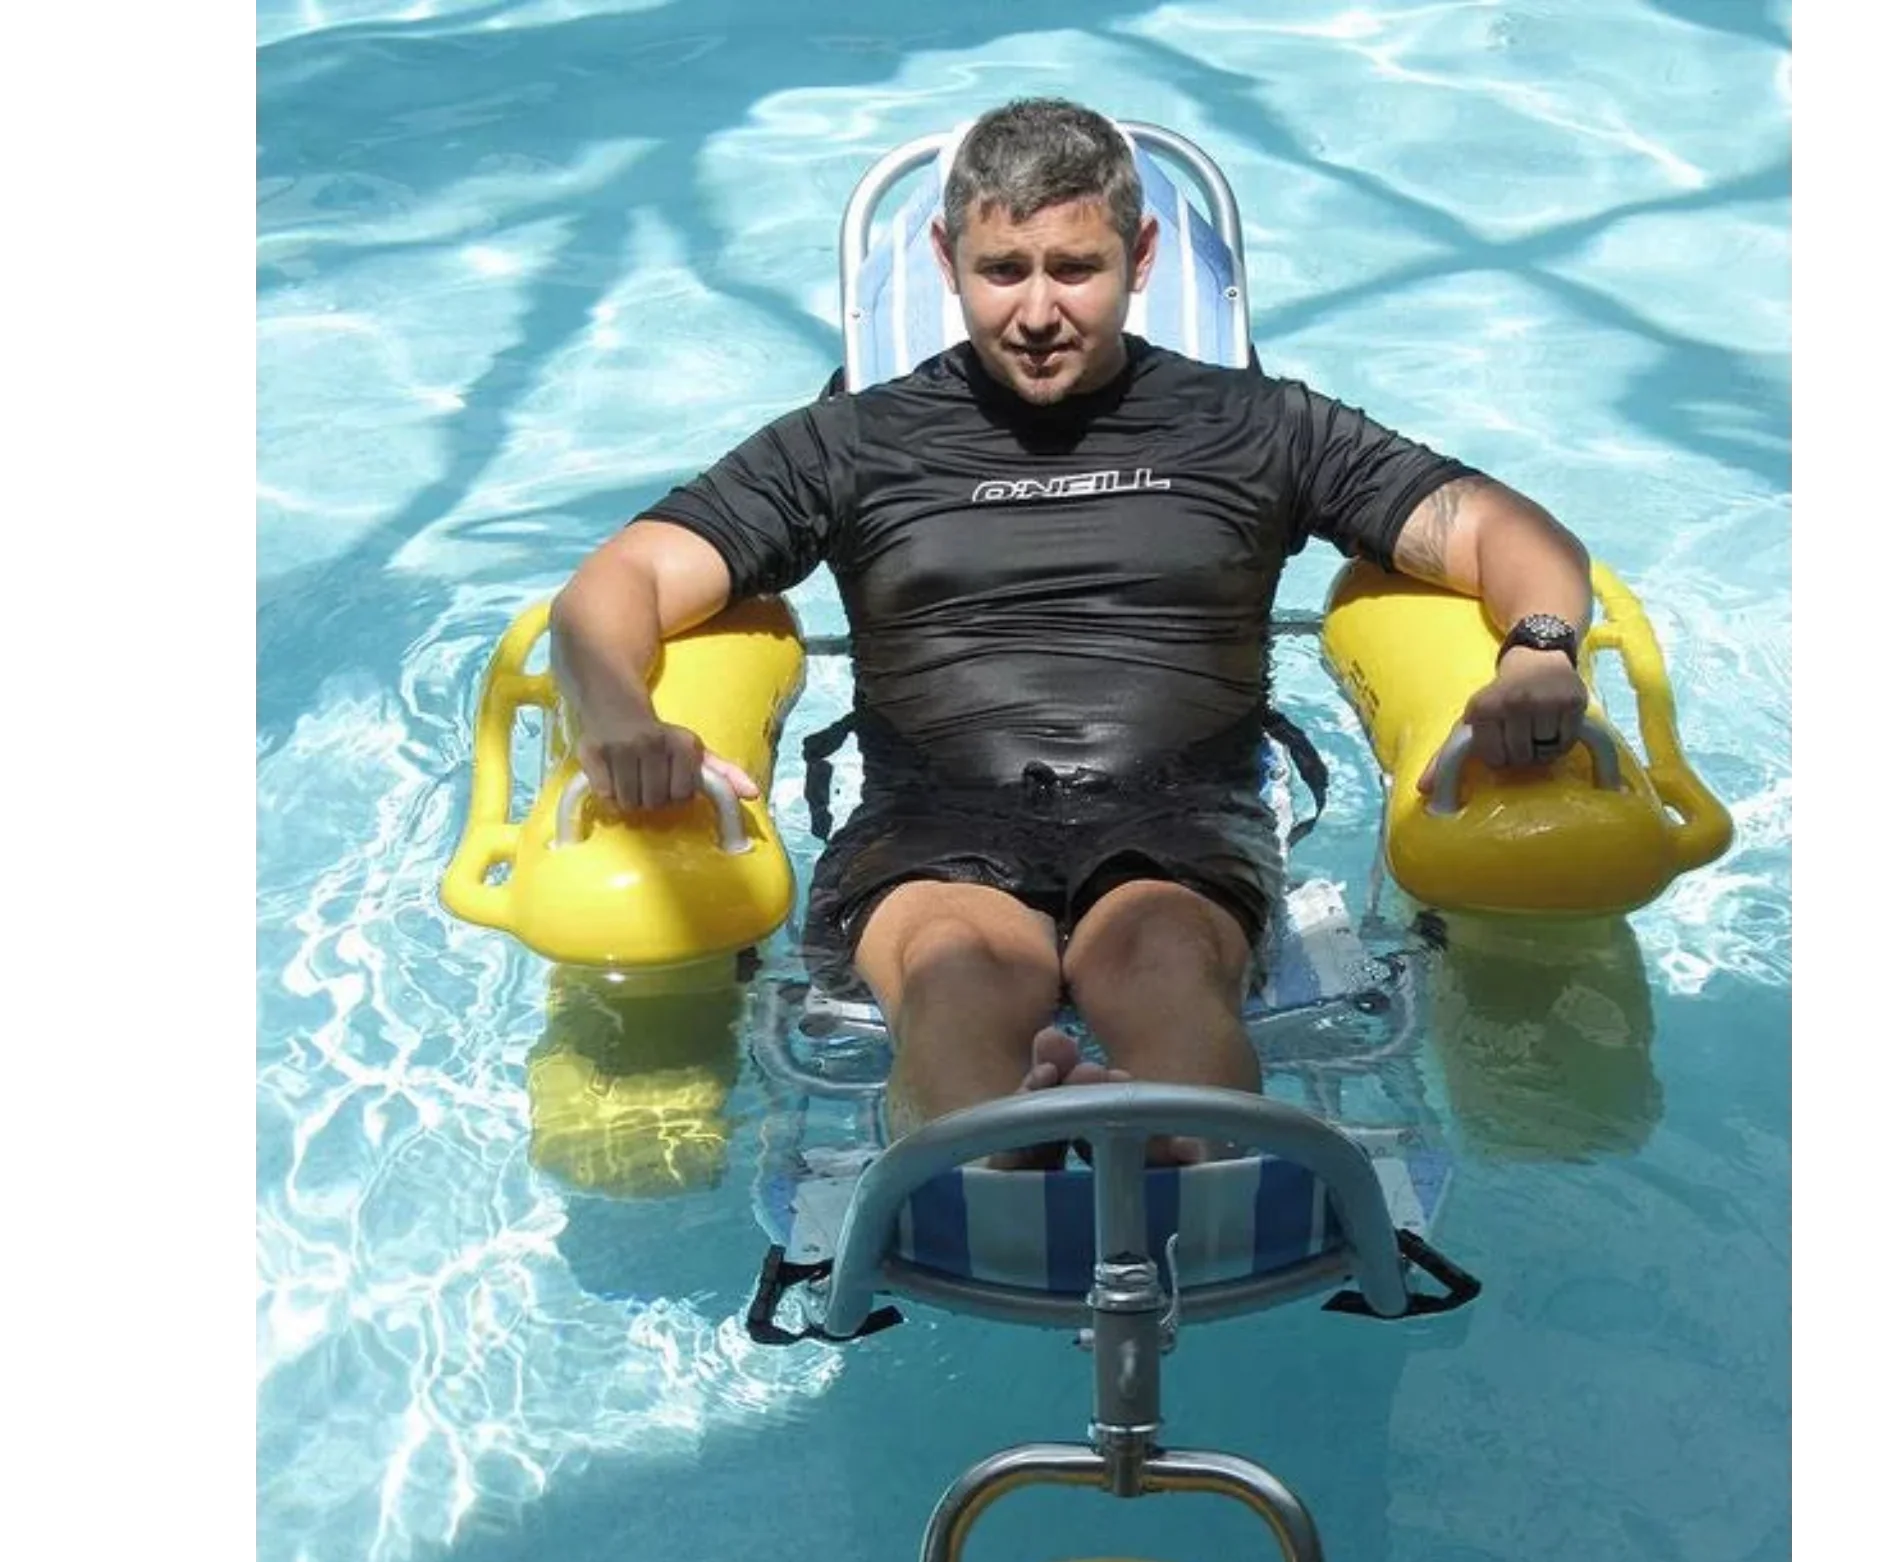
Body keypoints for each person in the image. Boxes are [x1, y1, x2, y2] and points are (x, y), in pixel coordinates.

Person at [547, 97, 1594, 1166]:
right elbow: (616, 583)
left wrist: (1539, 647)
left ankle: (1184, 1167)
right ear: (944, 256)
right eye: (1003, 270)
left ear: (1139, 257)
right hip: (933, 823)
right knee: (955, 964)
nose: (1037, 310)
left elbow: (1499, 530)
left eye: (1073, 268)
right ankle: (994, 1170)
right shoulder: (850, 443)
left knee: (1161, 954)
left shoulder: (1256, 424)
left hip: (1181, 817)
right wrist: (620, 717)